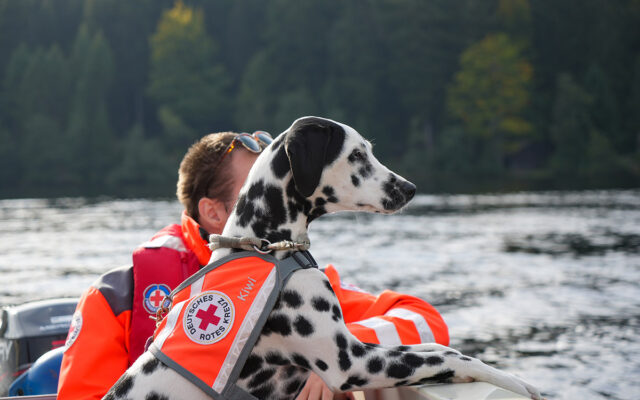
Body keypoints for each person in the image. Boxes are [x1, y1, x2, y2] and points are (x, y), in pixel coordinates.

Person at [57, 131, 449, 400]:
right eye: (258, 189)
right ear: (213, 212)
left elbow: (427, 321)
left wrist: (339, 355)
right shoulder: (113, 300)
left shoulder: (297, 290)